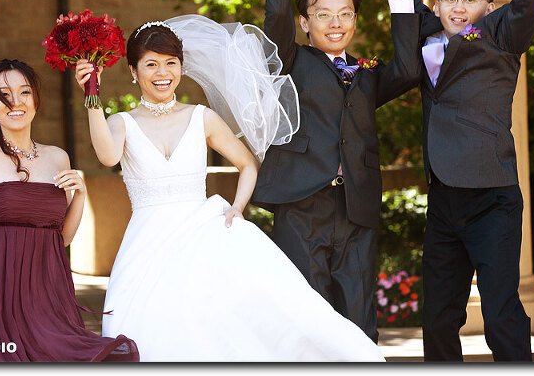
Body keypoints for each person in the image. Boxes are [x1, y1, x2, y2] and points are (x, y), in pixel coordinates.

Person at [74, 19, 386, 362]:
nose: (162, 73)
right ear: (133, 71)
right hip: (147, 243)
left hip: (202, 232)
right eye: (151, 64)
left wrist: (236, 207)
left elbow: (248, 164)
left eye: (170, 63)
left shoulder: (201, 117)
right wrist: (92, 96)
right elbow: (107, 156)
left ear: (181, 67)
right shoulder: (122, 123)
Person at [359, 0, 534, 361]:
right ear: (437, 4)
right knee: (439, 318)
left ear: (488, 7)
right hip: (444, 198)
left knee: (501, 313)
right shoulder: (425, 31)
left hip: (492, 197)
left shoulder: (501, 35)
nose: (458, 7)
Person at [250, 0, 422, 343]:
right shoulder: (291, 60)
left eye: (345, 14)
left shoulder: (366, 73)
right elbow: (276, 12)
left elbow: (408, 69)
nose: (336, 22)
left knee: (359, 316)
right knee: (307, 316)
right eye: (323, 14)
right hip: (301, 203)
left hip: (356, 207)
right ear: (306, 22)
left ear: (355, 21)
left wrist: (400, 1)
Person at [0, 2, 139, 362]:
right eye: (3, 95)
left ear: (35, 100)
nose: (15, 102)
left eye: (24, 92)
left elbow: (60, 239)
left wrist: (80, 195)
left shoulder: (58, 157)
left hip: (49, 295)